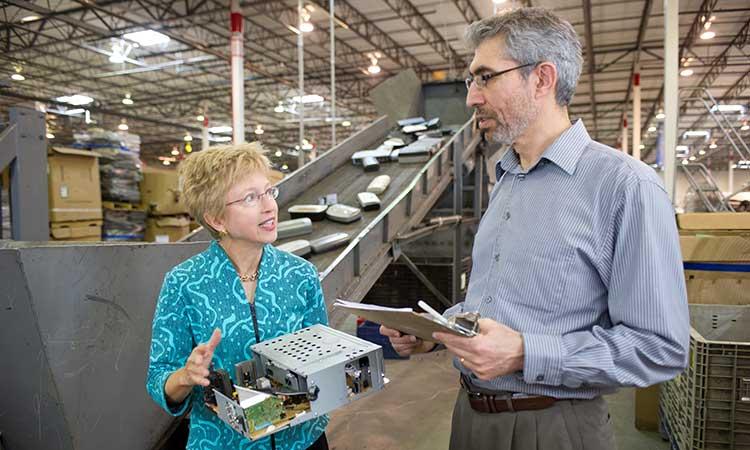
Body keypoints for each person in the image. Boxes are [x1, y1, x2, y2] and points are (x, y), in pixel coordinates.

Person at [381, 7, 689, 450]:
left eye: (485, 77)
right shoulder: (506, 179)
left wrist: (526, 352)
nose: (471, 97)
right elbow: (496, 308)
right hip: (469, 418)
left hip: (551, 427)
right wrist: (433, 333)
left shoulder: (624, 187)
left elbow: (660, 347)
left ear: (541, 79)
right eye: (472, 80)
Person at [146, 143, 329, 450]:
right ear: (217, 220)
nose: (269, 206)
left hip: (302, 441)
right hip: (223, 442)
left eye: (269, 192)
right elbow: (157, 377)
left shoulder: (301, 275)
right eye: (250, 198)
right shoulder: (184, 283)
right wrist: (185, 376)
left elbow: (322, 356)